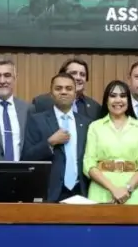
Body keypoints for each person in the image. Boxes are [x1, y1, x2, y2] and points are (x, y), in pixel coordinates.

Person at [21, 73, 91, 202]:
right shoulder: (37, 120)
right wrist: (50, 143)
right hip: (50, 193)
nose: (63, 92)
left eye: (68, 89)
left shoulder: (87, 123)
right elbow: (26, 157)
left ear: (75, 94)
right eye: (58, 88)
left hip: (80, 191)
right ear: (51, 93)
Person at [83, 80, 138, 205]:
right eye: (113, 96)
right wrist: (113, 189)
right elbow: (88, 163)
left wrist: (127, 189)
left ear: (129, 100)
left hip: (132, 192)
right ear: (106, 100)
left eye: (123, 96)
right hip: (101, 190)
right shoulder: (95, 127)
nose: (118, 100)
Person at [33, 58, 102, 120]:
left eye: (82, 74)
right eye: (73, 73)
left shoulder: (95, 108)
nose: (78, 78)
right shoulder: (41, 103)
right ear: (62, 76)